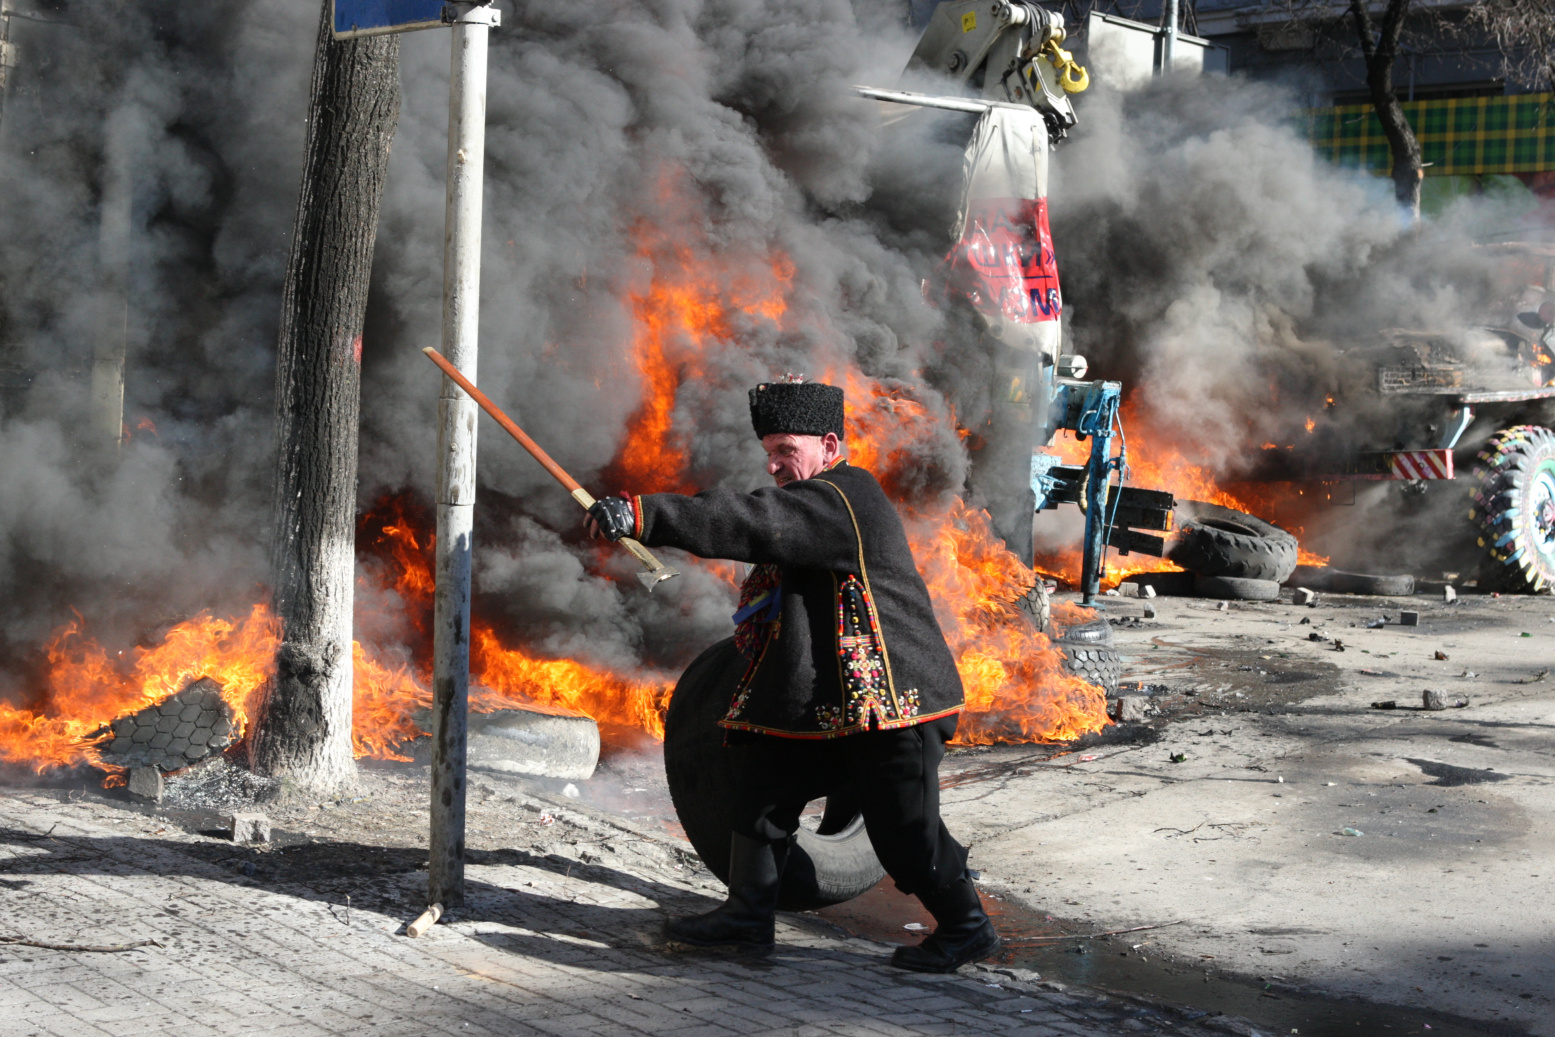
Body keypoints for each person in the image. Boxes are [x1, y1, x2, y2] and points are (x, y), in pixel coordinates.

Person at [586, 380, 998, 973]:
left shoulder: (843, 499)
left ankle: (968, 927)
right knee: (760, 792)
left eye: (785, 450)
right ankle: (749, 919)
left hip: (891, 703)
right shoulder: (815, 496)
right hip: (829, 701)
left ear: (829, 444)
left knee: (905, 834)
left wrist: (645, 514)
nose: (774, 465)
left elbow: (753, 522)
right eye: (769, 453)